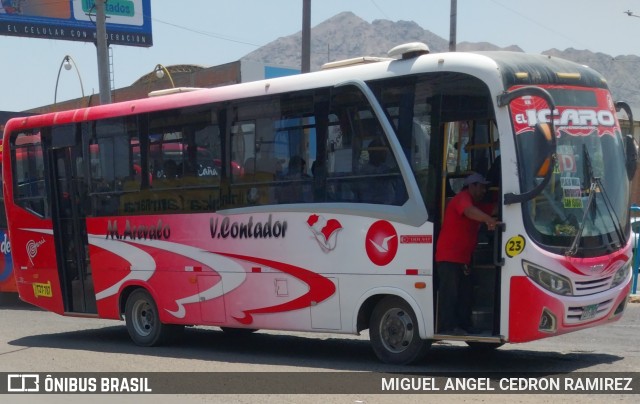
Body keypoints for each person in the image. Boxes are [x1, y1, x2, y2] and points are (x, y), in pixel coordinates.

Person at [435, 172, 500, 335]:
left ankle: (463, 325)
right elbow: (470, 211)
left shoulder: (476, 205)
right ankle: (448, 327)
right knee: (450, 294)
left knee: (465, 293)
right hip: (449, 257)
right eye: (481, 187)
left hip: (463, 258)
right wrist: (488, 220)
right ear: (471, 186)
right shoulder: (462, 198)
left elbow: (494, 209)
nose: (484, 191)